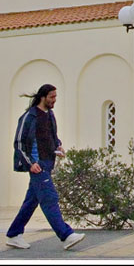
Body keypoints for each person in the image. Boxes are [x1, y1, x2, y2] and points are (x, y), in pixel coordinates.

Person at [6, 84, 85, 250]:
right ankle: (66, 235)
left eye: (55, 97)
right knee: (49, 199)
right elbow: (19, 144)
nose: (54, 100)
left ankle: (14, 234)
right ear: (43, 97)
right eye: (52, 97)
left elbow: (51, 136)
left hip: (48, 164)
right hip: (37, 166)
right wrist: (30, 164)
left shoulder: (49, 115)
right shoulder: (29, 117)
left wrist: (58, 146)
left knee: (31, 201)